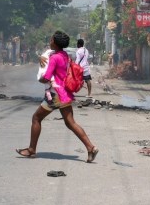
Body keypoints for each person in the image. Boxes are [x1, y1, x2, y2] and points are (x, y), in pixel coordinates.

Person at [16, 31, 99, 163]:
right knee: (70, 123)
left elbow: (47, 77)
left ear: (55, 42)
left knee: (36, 118)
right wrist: (40, 58)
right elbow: (47, 56)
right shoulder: (65, 55)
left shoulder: (54, 58)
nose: (49, 42)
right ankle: (91, 147)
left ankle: (31, 149)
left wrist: (40, 78)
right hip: (65, 93)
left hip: (55, 95)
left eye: (51, 40)